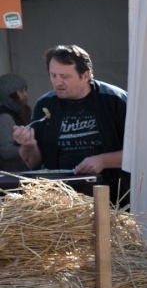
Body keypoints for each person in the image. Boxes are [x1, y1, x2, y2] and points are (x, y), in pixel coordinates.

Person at [11, 45, 129, 205]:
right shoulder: (45, 104)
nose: (57, 82)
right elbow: (33, 163)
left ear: (85, 75)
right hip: (61, 203)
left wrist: (103, 160)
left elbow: (141, 152)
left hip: (113, 198)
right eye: (53, 75)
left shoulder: (116, 100)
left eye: (65, 76)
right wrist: (29, 145)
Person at [0, 73, 28, 172]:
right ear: (10, 95)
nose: (25, 95)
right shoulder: (5, 117)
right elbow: (5, 150)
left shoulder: (15, 114)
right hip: (10, 178)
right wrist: (28, 149)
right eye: (21, 91)